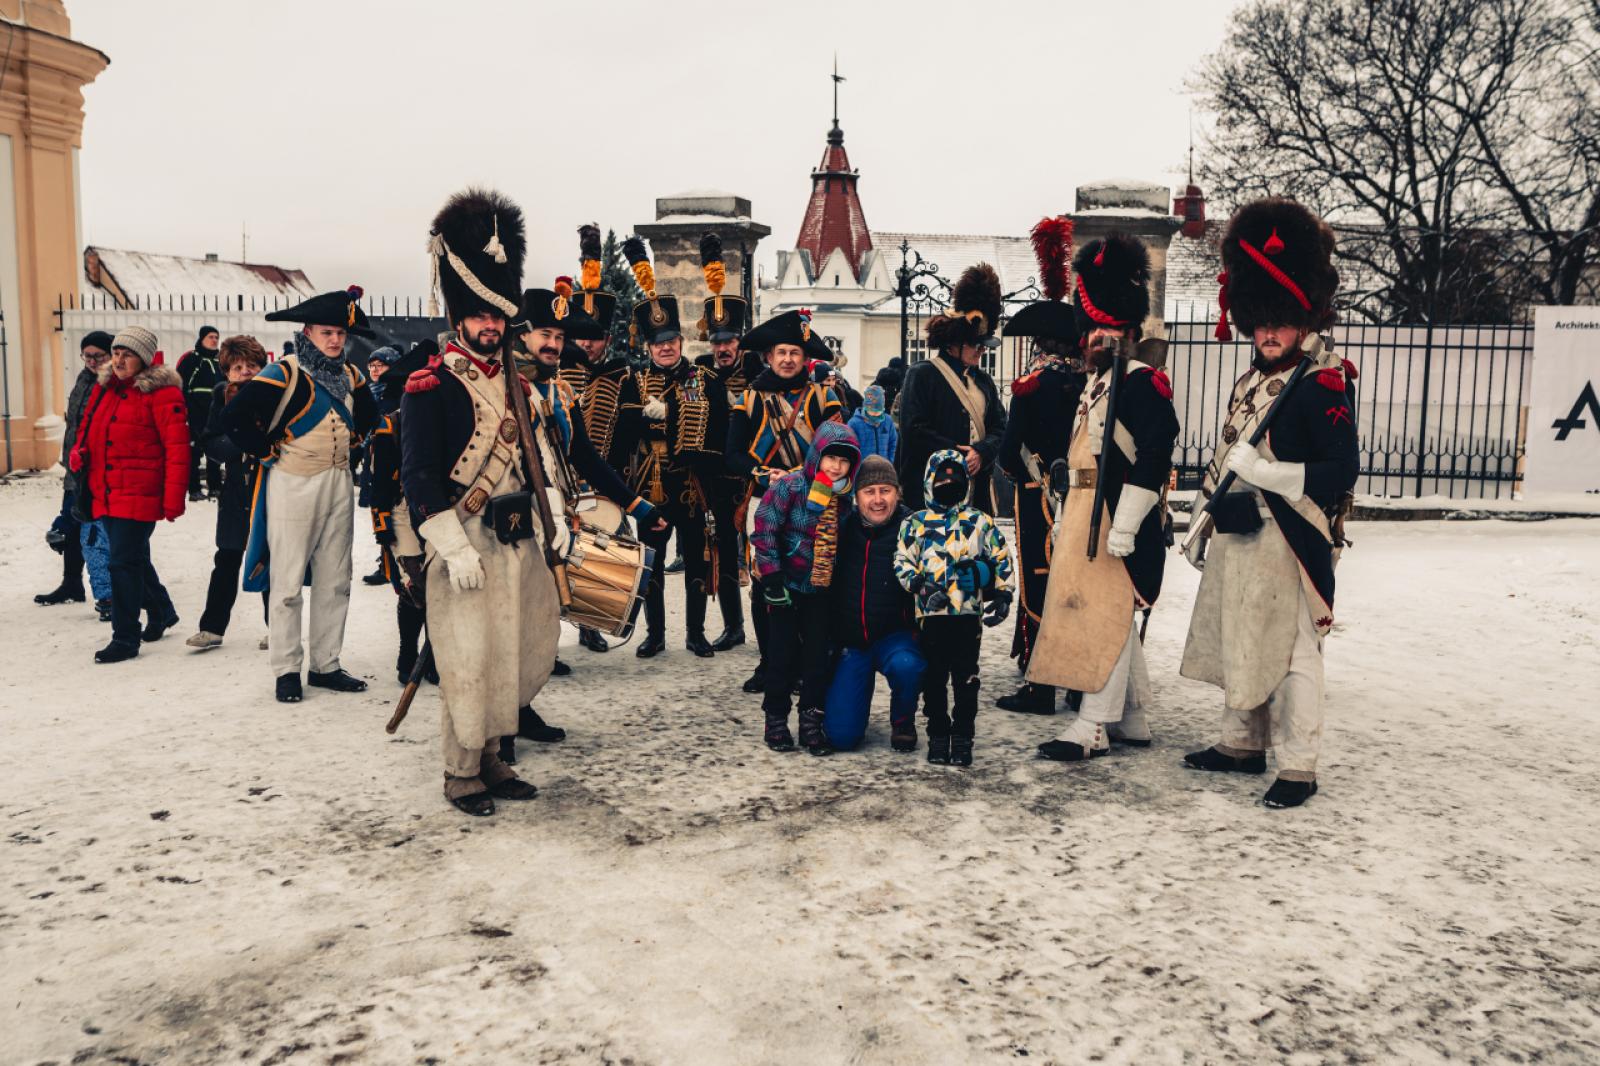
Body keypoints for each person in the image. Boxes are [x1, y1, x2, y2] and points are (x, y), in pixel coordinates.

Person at [1180, 198, 1358, 810]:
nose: (1267, 334)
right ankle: (1241, 744)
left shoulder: (1323, 382)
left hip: (1290, 534)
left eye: (1279, 322)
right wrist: (1204, 517)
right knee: (1242, 638)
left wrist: (1269, 473)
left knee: (1293, 652)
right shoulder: (1253, 380)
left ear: (1304, 319)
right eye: (1259, 323)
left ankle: (1299, 766)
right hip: (1240, 530)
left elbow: (1341, 471)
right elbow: (1228, 450)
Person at [400, 187, 545, 816]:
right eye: (480, 316)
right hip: (462, 536)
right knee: (466, 659)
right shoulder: (429, 385)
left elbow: (537, 459)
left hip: (514, 536)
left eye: (498, 317)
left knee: (506, 653)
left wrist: (555, 521)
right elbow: (417, 474)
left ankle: (491, 757)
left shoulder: (517, 382)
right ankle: (460, 771)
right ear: (460, 318)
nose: (491, 326)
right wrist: (451, 546)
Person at [1031, 233, 1179, 765]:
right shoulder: (1095, 382)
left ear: (1129, 332)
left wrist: (1129, 523)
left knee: (1104, 617)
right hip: (1082, 511)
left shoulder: (1142, 383)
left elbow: (1156, 453)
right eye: (1093, 329)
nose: (1098, 336)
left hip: (1115, 516)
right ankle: (1132, 715)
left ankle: (1093, 725)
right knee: (1109, 614)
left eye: (1109, 329)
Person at [505, 280, 667, 757]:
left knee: (540, 621)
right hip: (510, 519)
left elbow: (586, 458)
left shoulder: (558, 393)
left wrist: (637, 505)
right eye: (545, 335)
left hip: (552, 517)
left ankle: (521, 705)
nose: (553, 345)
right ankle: (499, 724)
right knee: (508, 622)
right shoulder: (501, 389)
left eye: (559, 337)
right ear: (522, 336)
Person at [224, 286, 378, 703]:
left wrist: (355, 444)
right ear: (308, 332)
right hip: (292, 482)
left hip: (338, 482)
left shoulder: (351, 375)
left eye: (340, 334)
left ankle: (326, 665)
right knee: (287, 581)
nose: (335, 340)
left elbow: (370, 416)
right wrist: (264, 450)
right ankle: (287, 669)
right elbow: (233, 417)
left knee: (336, 579)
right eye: (327, 332)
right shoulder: (284, 372)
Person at [609, 236, 724, 659]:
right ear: (649, 346)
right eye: (659, 342)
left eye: (672, 339)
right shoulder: (633, 381)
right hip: (650, 487)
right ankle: (655, 634)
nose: (666, 346)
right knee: (652, 563)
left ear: (681, 341)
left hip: (690, 487)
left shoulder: (703, 380)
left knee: (695, 560)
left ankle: (695, 633)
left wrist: (670, 413)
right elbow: (623, 432)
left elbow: (714, 427)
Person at [995, 216, 1087, 716]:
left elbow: (1010, 453)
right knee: (1075, 585)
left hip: (1039, 497)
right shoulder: (1088, 385)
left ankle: (1041, 685)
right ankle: (1076, 679)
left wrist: (1016, 473)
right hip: (1084, 498)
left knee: (1039, 583)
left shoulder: (1031, 387)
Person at [726, 308, 844, 692]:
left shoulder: (823, 397)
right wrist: (764, 475)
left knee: (809, 583)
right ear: (768, 357)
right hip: (765, 500)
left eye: (795, 352)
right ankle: (770, 663)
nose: (788, 359)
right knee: (766, 583)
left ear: (805, 357)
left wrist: (809, 484)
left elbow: (839, 448)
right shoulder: (748, 399)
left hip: (815, 500)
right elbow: (733, 455)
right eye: (782, 352)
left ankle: (805, 663)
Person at [66, 326, 188, 663]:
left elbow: (177, 450)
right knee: (131, 558)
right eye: (116, 353)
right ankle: (161, 610)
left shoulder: (162, 395)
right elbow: (88, 426)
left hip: (140, 492)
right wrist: (79, 451)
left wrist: (173, 499)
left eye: (127, 355)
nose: (118, 360)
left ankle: (125, 637)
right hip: (104, 489)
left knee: (121, 562)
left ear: (144, 360)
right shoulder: (104, 387)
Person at [893, 450, 1014, 766]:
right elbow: (902, 560)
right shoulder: (916, 523)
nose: (949, 484)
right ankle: (937, 733)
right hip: (930, 616)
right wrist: (919, 585)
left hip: (967, 616)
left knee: (966, 678)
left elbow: (1001, 557)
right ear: (929, 482)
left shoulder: (979, 522)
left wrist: (1001, 591)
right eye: (942, 479)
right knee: (933, 679)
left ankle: (962, 735)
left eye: (956, 479)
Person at [751, 420, 861, 754]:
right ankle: (776, 719)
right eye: (831, 458)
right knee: (781, 656)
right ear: (817, 454)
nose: (836, 466)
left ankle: (811, 721)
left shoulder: (844, 498)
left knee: (817, 659)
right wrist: (771, 576)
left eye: (844, 461)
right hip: (785, 587)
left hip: (821, 591)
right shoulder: (791, 486)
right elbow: (766, 528)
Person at [559, 224, 636, 654]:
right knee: (557, 554)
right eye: (581, 337)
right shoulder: (558, 373)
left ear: (607, 339)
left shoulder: (621, 374)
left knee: (602, 552)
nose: (587, 345)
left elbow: (627, 429)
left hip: (604, 476)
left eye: (595, 338)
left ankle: (591, 622)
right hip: (563, 479)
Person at [821, 455, 926, 752]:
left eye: (885, 491)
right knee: (842, 737)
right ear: (857, 497)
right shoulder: (842, 528)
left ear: (897, 493)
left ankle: (903, 719)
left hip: (896, 637)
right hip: (852, 641)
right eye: (869, 492)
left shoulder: (914, 528)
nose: (878, 500)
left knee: (907, 666)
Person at [691, 232, 760, 653]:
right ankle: (732, 625)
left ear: (740, 341)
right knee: (718, 550)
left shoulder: (756, 372)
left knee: (755, 549)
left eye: (729, 341)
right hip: (712, 475)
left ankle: (763, 625)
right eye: (717, 342)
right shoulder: (700, 371)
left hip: (748, 476)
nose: (722, 349)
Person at [896, 264, 1008, 513]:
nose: (982, 350)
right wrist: (959, 454)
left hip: (976, 492)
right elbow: (914, 430)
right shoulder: (922, 374)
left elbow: (1000, 427)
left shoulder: (984, 382)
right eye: (976, 345)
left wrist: (981, 452)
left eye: (983, 345)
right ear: (954, 343)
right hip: (931, 488)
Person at [186, 336, 271, 650]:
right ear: (226, 371)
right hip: (235, 493)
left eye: (251, 365)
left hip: (269, 490)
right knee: (226, 559)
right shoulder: (222, 397)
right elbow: (211, 443)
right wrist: (243, 440)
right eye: (237, 367)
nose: (245, 371)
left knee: (269, 560)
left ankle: (277, 628)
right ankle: (212, 628)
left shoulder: (274, 394)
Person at [37, 330, 115, 614]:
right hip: (75, 469)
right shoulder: (83, 380)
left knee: (98, 534)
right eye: (87, 356)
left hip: (95, 472)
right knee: (71, 525)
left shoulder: (112, 384)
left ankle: (115, 592)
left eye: (99, 356)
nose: (92, 361)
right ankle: (71, 583)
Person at [178, 325, 222, 501]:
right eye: (211, 337)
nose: (214, 340)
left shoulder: (220, 362)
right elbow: (181, 385)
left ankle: (215, 487)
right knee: (194, 453)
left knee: (214, 452)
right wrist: (188, 409)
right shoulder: (192, 359)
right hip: (195, 413)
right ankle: (194, 489)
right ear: (202, 339)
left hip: (215, 414)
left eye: (216, 337)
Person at [847, 384, 898, 464]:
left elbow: (893, 443)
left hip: (884, 467)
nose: (875, 414)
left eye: (878, 411)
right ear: (865, 407)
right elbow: (850, 450)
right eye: (872, 411)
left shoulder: (888, 421)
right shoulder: (854, 424)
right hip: (862, 469)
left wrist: (890, 462)